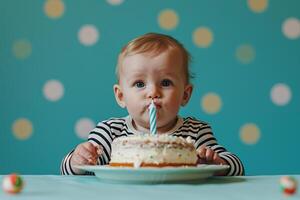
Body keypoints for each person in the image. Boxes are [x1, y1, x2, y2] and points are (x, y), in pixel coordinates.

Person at [60, 33, 244, 176]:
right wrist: (78, 160)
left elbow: (236, 166)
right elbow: (69, 170)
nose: (153, 93)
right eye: (139, 84)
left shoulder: (196, 132)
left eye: (165, 83)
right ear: (121, 96)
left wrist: (217, 164)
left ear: (185, 95)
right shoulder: (110, 132)